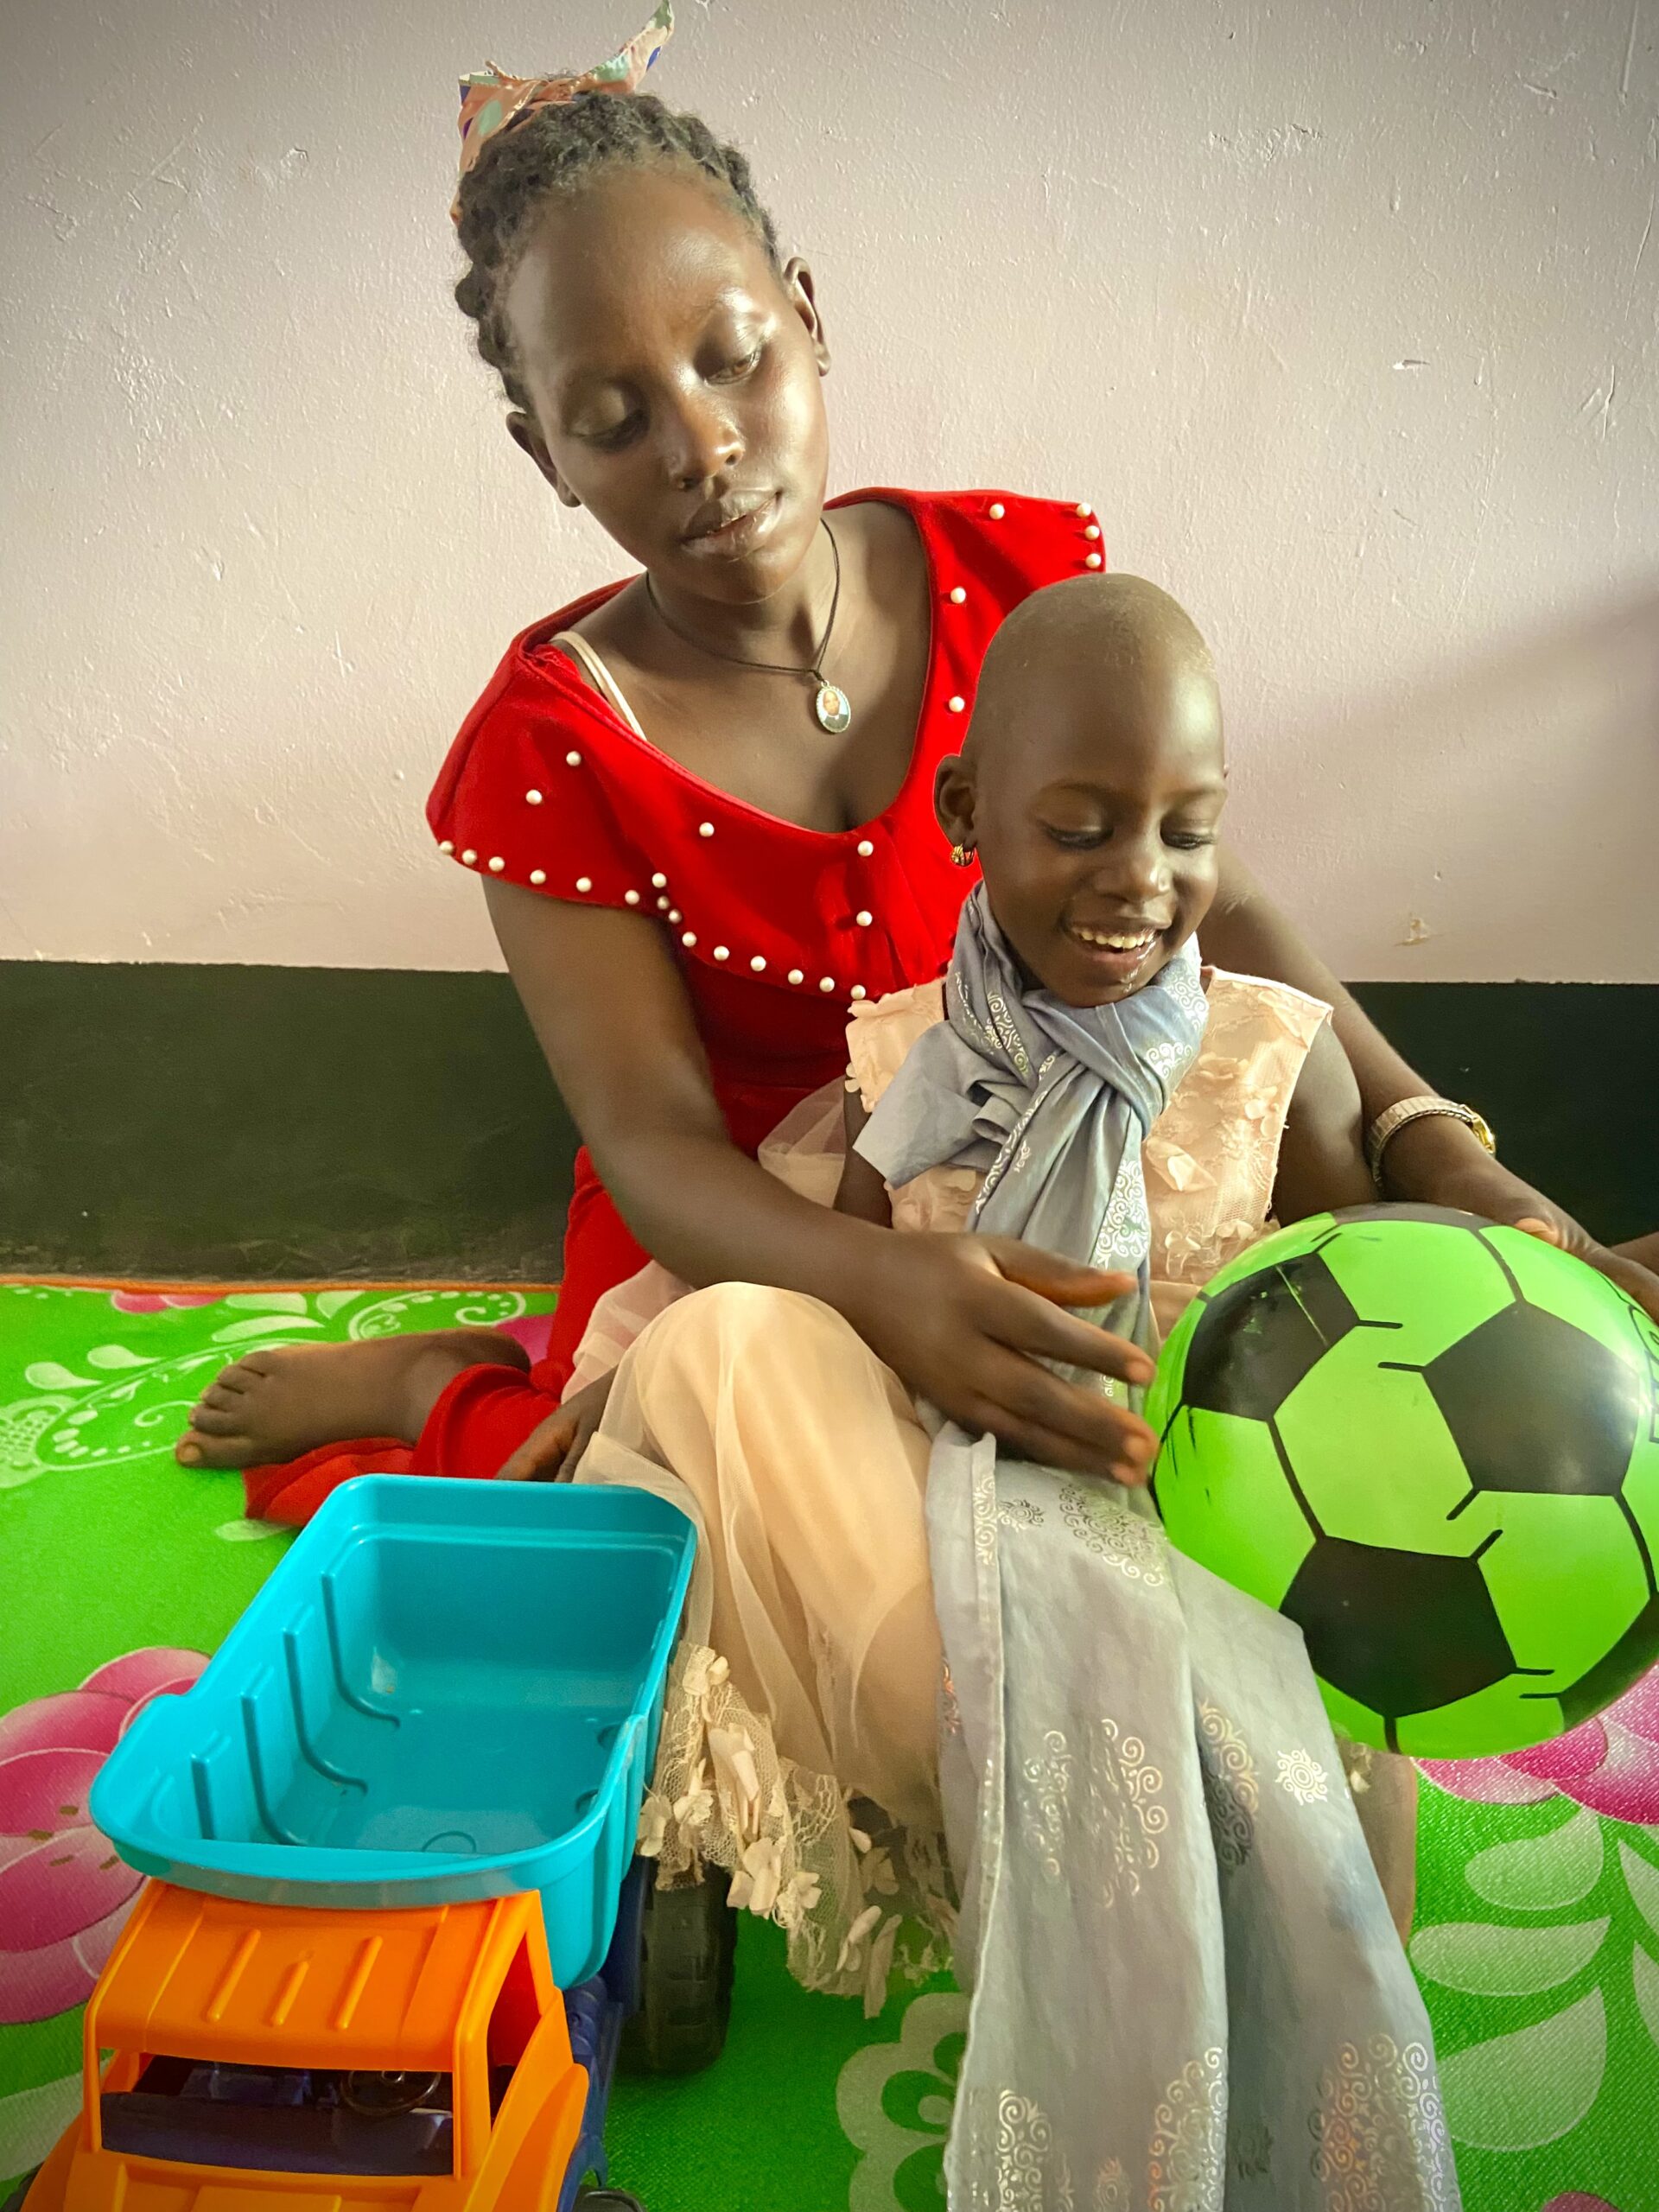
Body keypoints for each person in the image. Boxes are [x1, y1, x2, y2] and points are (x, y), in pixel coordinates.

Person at [175, 8, 1657, 1527]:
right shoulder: (555, 751)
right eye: (613, 422)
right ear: (542, 452)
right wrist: (880, 1277)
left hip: (1046, 1112)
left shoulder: (1009, 584)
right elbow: (656, 1145)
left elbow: (1207, 908)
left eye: (733, 359)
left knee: (1259, 1405)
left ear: (808, 318)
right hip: (762, 1216)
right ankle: (452, 1386)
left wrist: (1439, 1149)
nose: (700, 445)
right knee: (676, 1525)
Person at [571, 571, 1458, 2210]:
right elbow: (801, 1291)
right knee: (714, 1355)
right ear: (971, 816)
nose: (1140, 883)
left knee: (1288, 1831)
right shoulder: (904, 1060)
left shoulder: (1277, 1052)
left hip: (1222, 1543)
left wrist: (1488, 1213)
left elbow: (1394, 1299)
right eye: (1083, 825)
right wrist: (629, 1369)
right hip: (960, 1530)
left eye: (1187, 831)